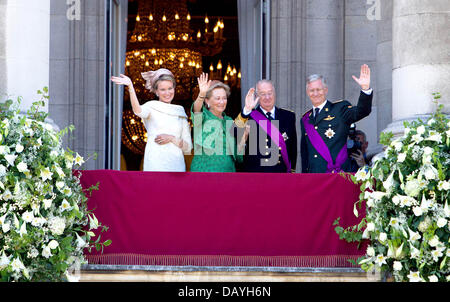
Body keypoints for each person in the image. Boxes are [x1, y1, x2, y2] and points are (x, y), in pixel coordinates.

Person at [111, 69, 192, 172]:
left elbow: (187, 147)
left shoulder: (180, 111)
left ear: (174, 89)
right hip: (155, 163)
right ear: (156, 92)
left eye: (170, 88)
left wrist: (171, 138)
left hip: (176, 165)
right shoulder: (151, 106)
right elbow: (138, 111)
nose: (167, 93)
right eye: (163, 89)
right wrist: (131, 87)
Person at [301, 64, 373, 173]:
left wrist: (365, 89)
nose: (315, 94)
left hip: (338, 174)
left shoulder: (339, 109)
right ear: (307, 93)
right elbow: (305, 153)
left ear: (325, 90)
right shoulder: (305, 119)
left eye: (319, 89)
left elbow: (361, 112)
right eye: (312, 90)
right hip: (315, 177)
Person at [190, 73, 254, 172]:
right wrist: (202, 94)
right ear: (207, 101)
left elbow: (238, 156)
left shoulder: (228, 120)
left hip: (227, 173)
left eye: (224, 98)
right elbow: (196, 109)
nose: (222, 102)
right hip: (204, 173)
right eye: (217, 98)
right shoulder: (203, 117)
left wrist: (243, 137)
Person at [234, 80, 297, 173]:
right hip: (256, 176)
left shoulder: (288, 116)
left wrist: (291, 171)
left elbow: (292, 147)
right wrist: (246, 110)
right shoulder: (248, 116)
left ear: (274, 94)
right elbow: (234, 132)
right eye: (262, 94)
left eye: (270, 93)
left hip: (281, 175)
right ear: (257, 96)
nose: (267, 97)